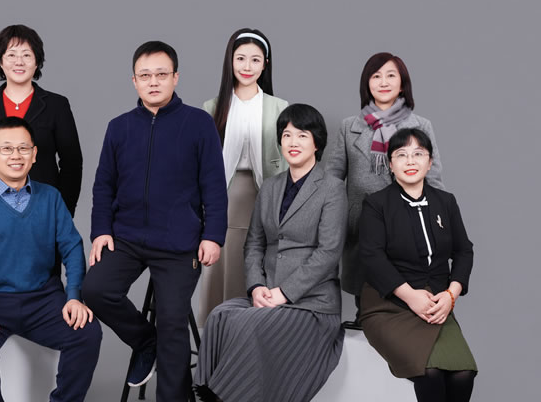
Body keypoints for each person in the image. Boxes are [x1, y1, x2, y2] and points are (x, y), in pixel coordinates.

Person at [81, 41, 228, 401]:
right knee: (94, 290)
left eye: (161, 74)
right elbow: (103, 186)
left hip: (179, 244)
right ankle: (147, 341)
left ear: (175, 77)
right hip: (126, 238)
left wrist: (213, 235)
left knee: (173, 321)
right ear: (134, 81)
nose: (153, 82)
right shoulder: (119, 128)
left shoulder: (198, 123)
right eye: (145, 75)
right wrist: (101, 231)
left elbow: (214, 184)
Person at [194, 104, 346, 402]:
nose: (293, 142)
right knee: (219, 316)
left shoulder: (332, 188)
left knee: (246, 324)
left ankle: (226, 397)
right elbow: (254, 244)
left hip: (311, 304)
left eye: (302, 135)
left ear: (317, 142)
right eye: (286, 135)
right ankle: (205, 395)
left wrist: (284, 293)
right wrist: (256, 286)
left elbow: (328, 253)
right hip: (267, 293)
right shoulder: (270, 187)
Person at [0, 117, 101, 402]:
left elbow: (72, 247)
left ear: (34, 154)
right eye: (6, 148)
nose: (16, 155)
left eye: (23, 148)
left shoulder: (50, 197)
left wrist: (74, 296)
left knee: (87, 334)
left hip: (43, 299)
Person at [325, 52, 444, 326]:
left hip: (408, 219)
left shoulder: (421, 126)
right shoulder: (349, 127)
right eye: (376, 76)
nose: (383, 82)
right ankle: (365, 318)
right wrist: (332, 217)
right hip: (362, 222)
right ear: (367, 84)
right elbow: (333, 179)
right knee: (366, 282)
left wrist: (438, 222)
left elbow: (434, 178)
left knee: (408, 289)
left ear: (402, 84)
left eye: (391, 75)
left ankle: (401, 327)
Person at [358, 128, 477, 402]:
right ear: (390, 164)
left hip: (436, 304)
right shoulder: (376, 204)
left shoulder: (446, 202)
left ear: (430, 162)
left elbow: (464, 251)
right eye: (401, 155)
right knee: (430, 373)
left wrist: (451, 295)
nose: (410, 161)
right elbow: (372, 256)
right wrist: (410, 296)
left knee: (463, 375)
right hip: (388, 306)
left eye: (418, 154)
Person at [198, 28, 289, 325]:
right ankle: (216, 330)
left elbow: (287, 160)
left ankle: (252, 333)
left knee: (257, 260)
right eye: (240, 58)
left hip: (266, 193)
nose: (247, 66)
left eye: (255, 59)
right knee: (221, 265)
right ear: (230, 61)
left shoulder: (279, 107)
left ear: (265, 64)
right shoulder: (212, 107)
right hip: (221, 195)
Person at [0, 24, 82, 216]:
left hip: (43, 211)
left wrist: (63, 212)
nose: (19, 62)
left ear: (37, 61)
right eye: (11, 55)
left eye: (26, 55)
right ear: (0, 61)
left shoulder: (57, 105)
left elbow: (72, 164)